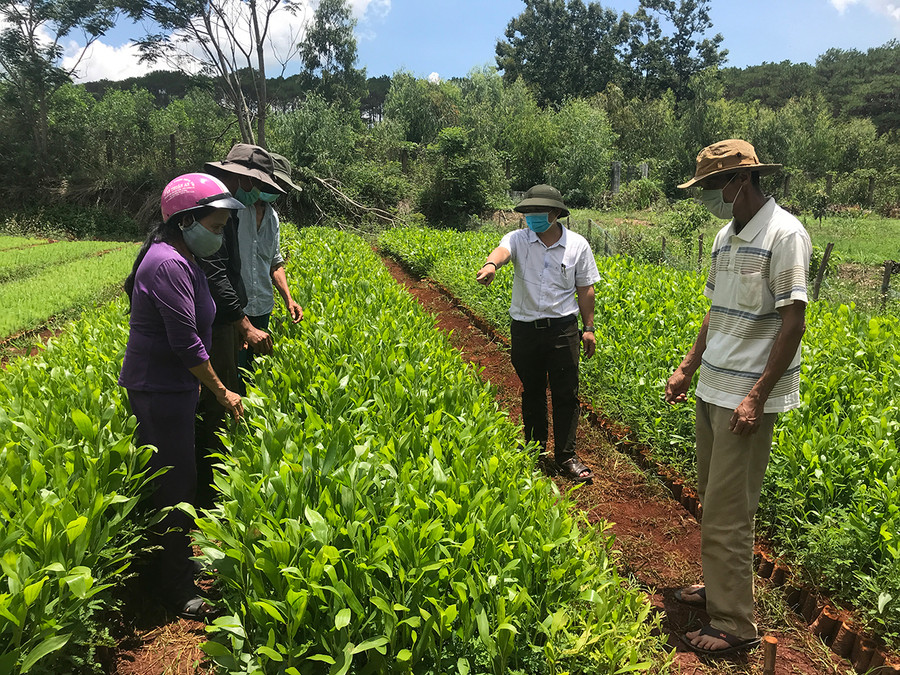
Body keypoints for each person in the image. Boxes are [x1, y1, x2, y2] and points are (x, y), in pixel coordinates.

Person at [665, 139, 811, 657]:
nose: (707, 196)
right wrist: (688, 366)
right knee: (714, 499)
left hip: (744, 398)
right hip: (713, 387)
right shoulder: (725, 236)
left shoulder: (785, 234)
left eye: (711, 186)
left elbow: (793, 322)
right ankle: (719, 587)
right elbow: (715, 311)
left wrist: (756, 396)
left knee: (730, 512)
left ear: (741, 180)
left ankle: (734, 624)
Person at [119, 173, 245, 619]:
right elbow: (186, 343)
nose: (220, 235)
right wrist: (223, 391)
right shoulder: (168, 264)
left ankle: (178, 564)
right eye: (215, 226)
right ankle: (173, 586)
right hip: (160, 390)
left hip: (174, 388)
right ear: (186, 221)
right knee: (172, 488)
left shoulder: (182, 257)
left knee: (180, 480)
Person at [476, 184, 599, 483]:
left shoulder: (577, 245)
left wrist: (589, 328)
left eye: (537, 211)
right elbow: (502, 251)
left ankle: (566, 456)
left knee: (565, 393)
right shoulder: (518, 238)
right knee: (532, 390)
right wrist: (491, 265)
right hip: (525, 329)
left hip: (562, 329)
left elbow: (585, 289)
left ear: (555, 213)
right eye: (528, 211)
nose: (531, 216)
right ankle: (535, 449)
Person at [194, 143, 284, 506]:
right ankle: (209, 487)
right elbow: (216, 273)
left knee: (229, 389)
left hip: (229, 315)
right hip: (217, 319)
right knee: (218, 398)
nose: (255, 189)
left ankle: (218, 468)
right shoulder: (215, 207)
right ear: (240, 177)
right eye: (253, 181)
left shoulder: (229, 205)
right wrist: (243, 324)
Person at [235, 152, 303, 393]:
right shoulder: (235, 211)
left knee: (255, 372)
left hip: (262, 307)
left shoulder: (273, 217)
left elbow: (274, 263)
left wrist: (289, 299)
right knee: (235, 371)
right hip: (236, 309)